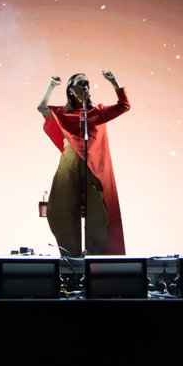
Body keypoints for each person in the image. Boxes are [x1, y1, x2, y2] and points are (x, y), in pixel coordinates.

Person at [37, 70, 131, 256]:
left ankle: (95, 263)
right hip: (70, 164)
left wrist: (114, 82)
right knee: (62, 209)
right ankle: (70, 260)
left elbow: (124, 105)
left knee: (98, 216)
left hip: (93, 168)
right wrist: (51, 85)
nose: (85, 86)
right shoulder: (64, 112)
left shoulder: (98, 112)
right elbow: (42, 108)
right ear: (71, 90)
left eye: (86, 83)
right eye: (80, 83)